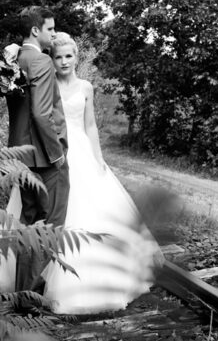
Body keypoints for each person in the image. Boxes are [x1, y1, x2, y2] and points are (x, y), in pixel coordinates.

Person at [37, 32, 159, 314]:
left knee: (97, 210)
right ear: (52, 60)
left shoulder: (86, 87)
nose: (64, 62)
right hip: (58, 151)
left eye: (69, 56)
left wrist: (98, 156)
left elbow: (90, 125)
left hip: (82, 150)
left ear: (76, 58)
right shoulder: (48, 85)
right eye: (58, 57)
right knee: (63, 211)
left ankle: (107, 279)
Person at [4, 6, 70, 294]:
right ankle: (30, 295)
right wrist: (58, 154)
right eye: (50, 29)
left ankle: (23, 292)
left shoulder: (13, 58)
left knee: (30, 222)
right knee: (49, 225)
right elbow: (42, 114)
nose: (54, 34)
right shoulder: (41, 61)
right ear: (35, 30)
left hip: (20, 155)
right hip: (44, 158)